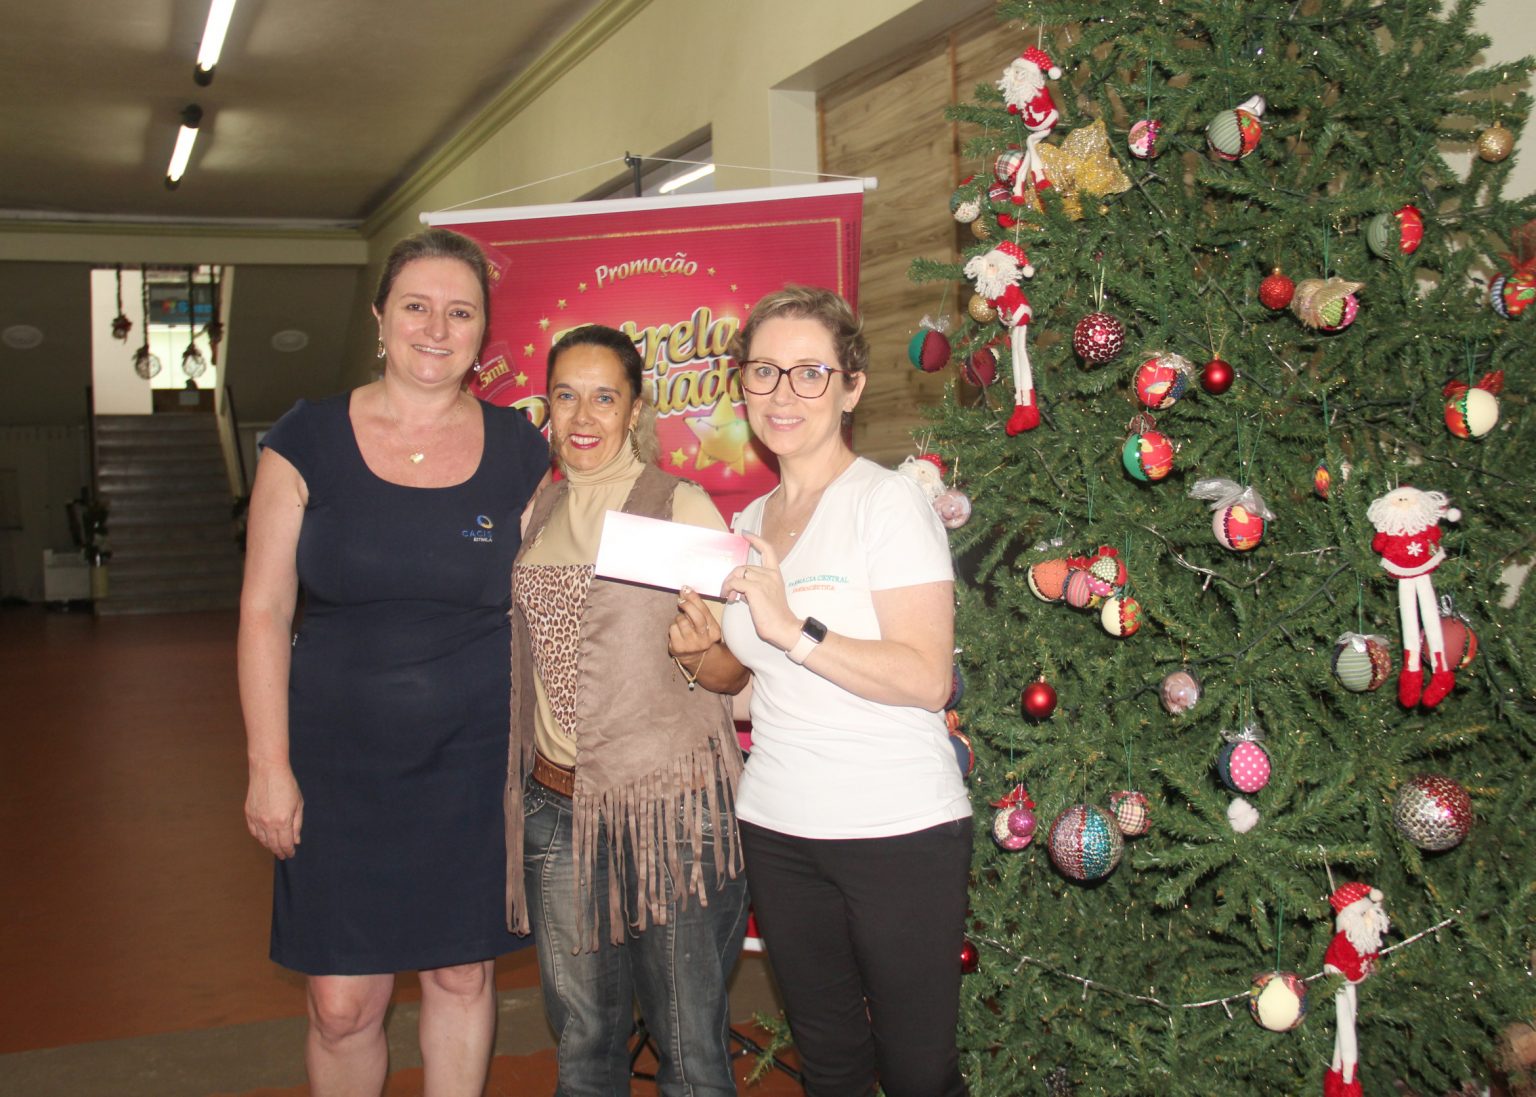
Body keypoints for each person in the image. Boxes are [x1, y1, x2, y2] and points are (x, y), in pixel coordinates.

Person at [238, 227, 548, 1096]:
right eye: (416, 306)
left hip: (473, 760)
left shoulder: (521, 448)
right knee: (342, 1004)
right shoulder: (306, 437)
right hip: (336, 763)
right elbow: (264, 610)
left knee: (462, 973)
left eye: (461, 312)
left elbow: (557, 598)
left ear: (484, 332)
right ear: (379, 317)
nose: (436, 330)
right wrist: (268, 765)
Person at [669, 285, 972, 1097]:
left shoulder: (887, 502)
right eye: (764, 371)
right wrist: (702, 658)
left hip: (897, 829)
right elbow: (757, 690)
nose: (783, 393)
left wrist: (792, 627)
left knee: (917, 1074)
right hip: (778, 827)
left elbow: (925, 676)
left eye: (810, 372)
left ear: (851, 387)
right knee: (831, 1067)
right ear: (742, 384)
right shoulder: (748, 522)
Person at [506, 324, 749, 1096]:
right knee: (584, 1045)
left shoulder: (677, 505)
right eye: (566, 396)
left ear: (636, 408)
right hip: (558, 810)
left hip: (668, 810)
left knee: (689, 1048)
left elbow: (738, 669)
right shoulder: (539, 510)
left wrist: (702, 652)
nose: (582, 416)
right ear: (547, 407)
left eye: (604, 397)